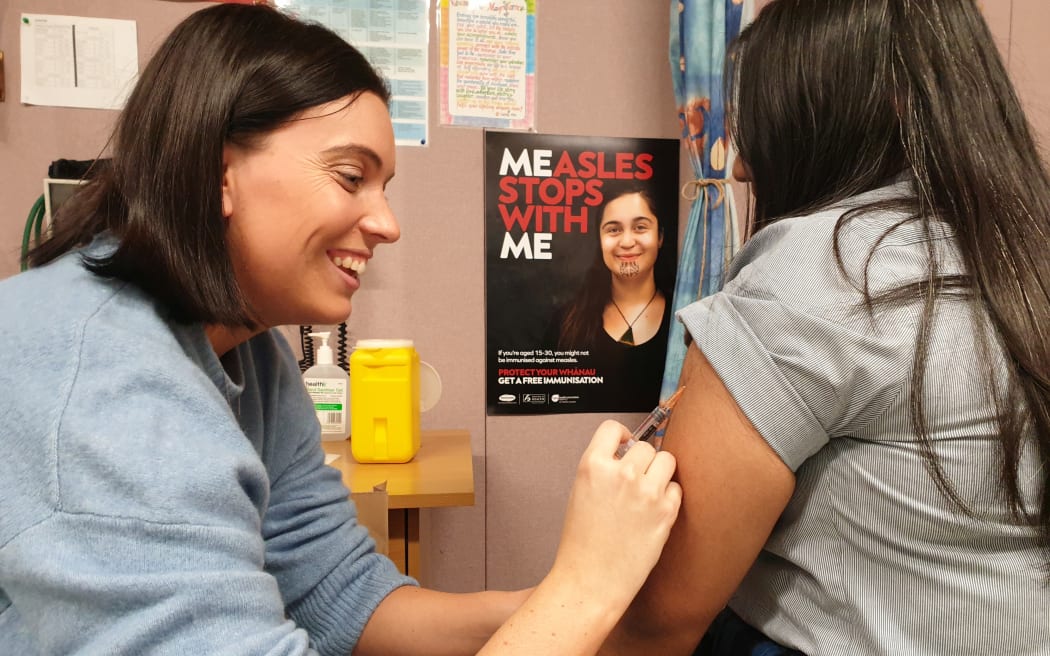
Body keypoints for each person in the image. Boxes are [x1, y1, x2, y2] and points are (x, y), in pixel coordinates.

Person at [0, 5, 682, 655]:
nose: (387, 223)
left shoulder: (253, 354)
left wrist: (557, 606)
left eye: (382, 186)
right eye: (351, 175)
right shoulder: (101, 385)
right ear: (218, 172)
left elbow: (338, 591)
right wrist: (584, 591)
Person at [600, 1, 1050, 654]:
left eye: (760, 124)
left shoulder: (823, 269)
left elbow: (661, 618)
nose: (744, 168)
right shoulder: (1023, 257)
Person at [545, 184, 675, 411]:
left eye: (640, 227)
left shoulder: (684, 320)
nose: (626, 241)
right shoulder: (566, 324)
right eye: (613, 230)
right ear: (600, 240)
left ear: (660, 236)